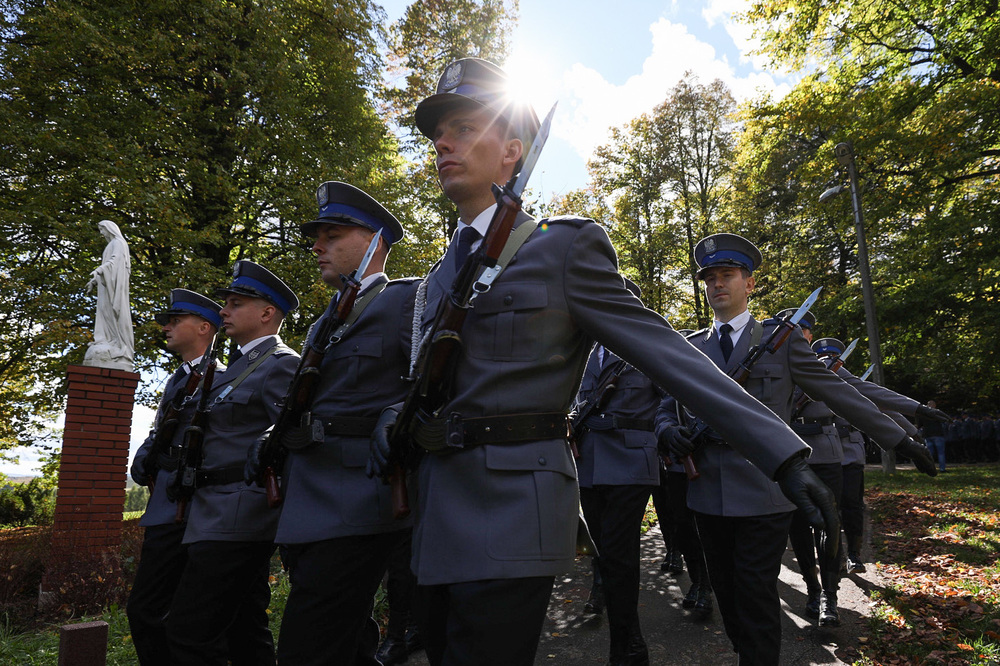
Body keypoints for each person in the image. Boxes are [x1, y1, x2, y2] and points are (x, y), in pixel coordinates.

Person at [369, 58, 839, 666]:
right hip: (434, 513)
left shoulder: (562, 248)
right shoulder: (433, 282)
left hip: (510, 505)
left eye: (463, 126)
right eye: (439, 131)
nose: (443, 141)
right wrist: (391, 418)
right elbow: (417, 384)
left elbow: (667, 352)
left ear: (513, 151)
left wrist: (783, 453)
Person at [656, 233, 935, 664]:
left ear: (749, 284)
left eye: (727, 275)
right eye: (710, 278)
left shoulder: (782, 342)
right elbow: (665, 404)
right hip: (707, 489)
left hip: (766, 489)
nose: (717, 284)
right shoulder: (691, 347)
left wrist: (899, 438)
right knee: (727, 594)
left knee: (755, 591)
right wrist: (666, 430)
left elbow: (839, 391)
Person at [264, 181, 419, 666]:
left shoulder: (409, 301)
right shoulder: (322, 323)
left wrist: (398, 412)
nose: (317, 246)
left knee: (306, 649)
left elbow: (436, 381)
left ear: (374, 240)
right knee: (348, 644)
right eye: (318, 236)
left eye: (332, 235)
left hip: (361, 499)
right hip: (308, 501)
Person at [164, 261, 300, 665]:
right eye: (225, 303)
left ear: (266, 313)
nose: (223, 311)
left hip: (240, 513)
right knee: (244, 631)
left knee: (189, 632)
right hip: (213, 510)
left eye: (236, 304)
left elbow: (287, 440)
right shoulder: (234, 368)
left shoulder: (281, 364)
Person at [572, 279, 668, 665]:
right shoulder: (583, 349)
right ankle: (625, 638)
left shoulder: (647, 344)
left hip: (631, 460)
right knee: (602, 552)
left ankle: (627, 645)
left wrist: (665, 429)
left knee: (619, 554)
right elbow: (576, 401)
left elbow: (670, 397)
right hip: (588, 462)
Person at [127, 289, 225, 666]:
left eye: (174, 321)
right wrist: (146, 454)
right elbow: (162, 430)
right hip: (167, 505)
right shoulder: (179, 377)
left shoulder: (221, 377)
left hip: (190, 509)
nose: (166, 327)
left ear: (204, 328)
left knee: (156, 612)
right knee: (151, 612)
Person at [84, 219, 134, 369]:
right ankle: (107, 339)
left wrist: (99, 270)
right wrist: (94, 281)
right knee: (105, 312)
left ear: (109, 229)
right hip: (106, 286)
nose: (101, 233)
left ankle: (117, 343)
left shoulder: (118, 243)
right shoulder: (110, 245)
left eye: (102, 229)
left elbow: (115, 261)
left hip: (115, 287)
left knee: (114, 312)